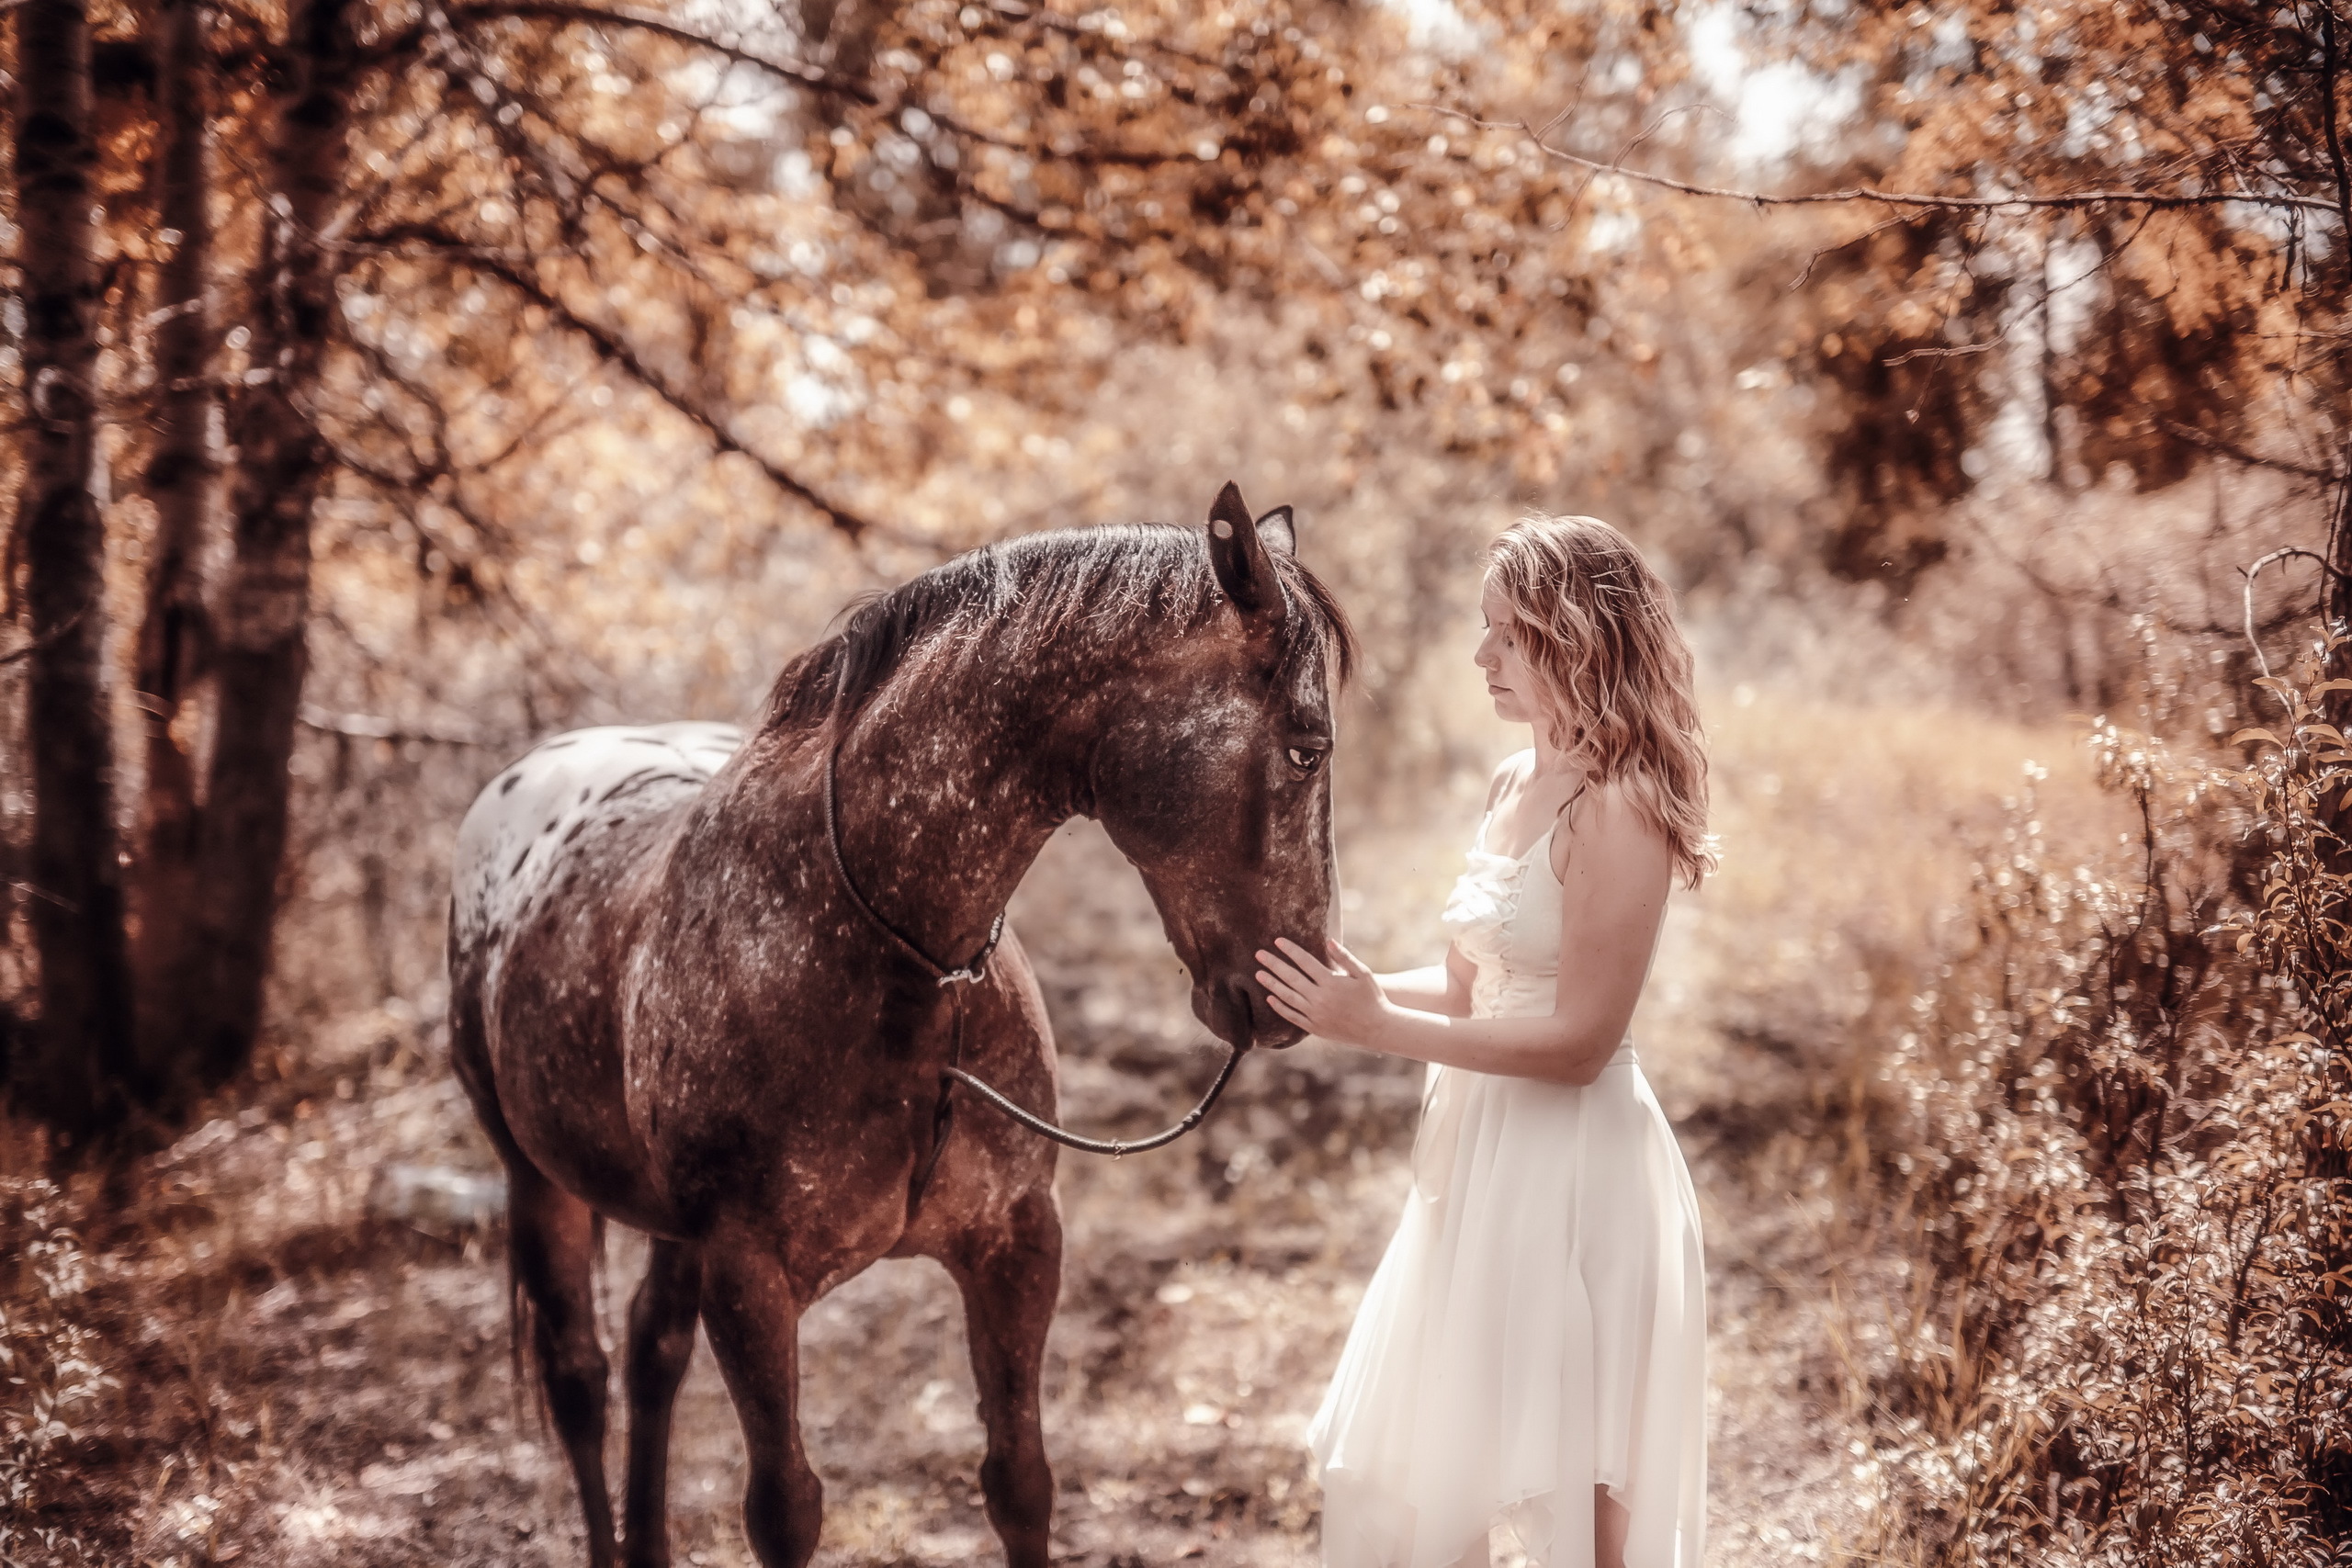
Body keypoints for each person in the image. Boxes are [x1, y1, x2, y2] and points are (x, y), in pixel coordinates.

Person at [1255, 514, 1713, 1568]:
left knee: (1577, 1496)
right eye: (1484, 631)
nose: (1480, 658)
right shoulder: (1514, 785)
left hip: (1580, 1176)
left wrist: (1377, 1031)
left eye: (1505, 634)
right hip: (1478, 1167)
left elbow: (1579, 1042)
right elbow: (1471, 988)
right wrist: (1344, 994)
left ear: (1574, 637)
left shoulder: (1624, 805)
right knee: (1437, 1478)